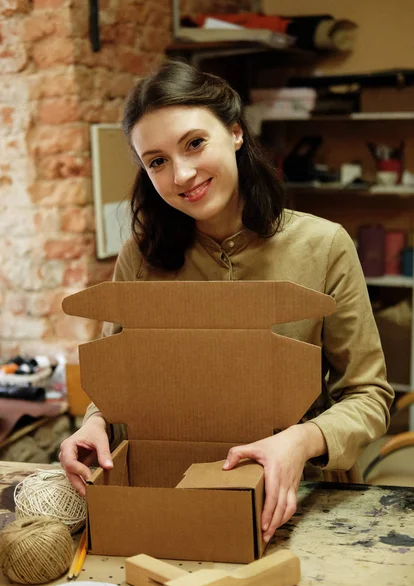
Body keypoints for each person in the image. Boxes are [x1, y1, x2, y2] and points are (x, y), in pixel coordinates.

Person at [59, 59, 394, 544]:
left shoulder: (323, 246)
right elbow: (119, 387)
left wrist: (300, 441)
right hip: (169, 493)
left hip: (300, 499)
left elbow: (369, 396)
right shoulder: (140, 257)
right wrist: (94, 424)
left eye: (195, 143)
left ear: (236, 133)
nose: (182, 174)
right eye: (157, 161)